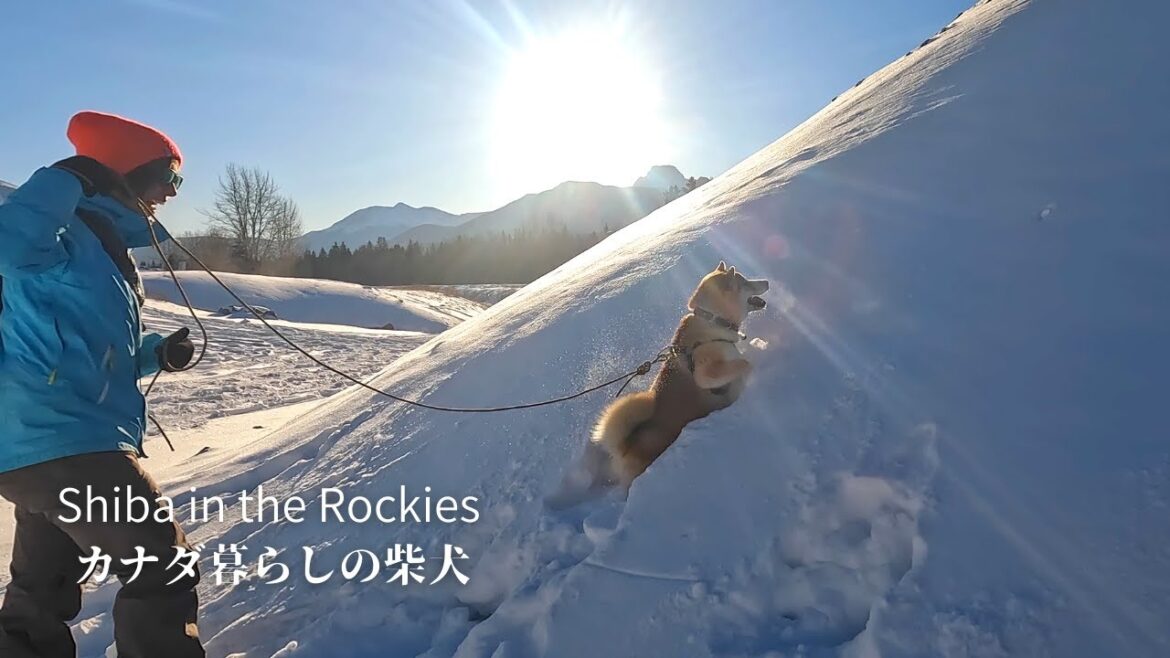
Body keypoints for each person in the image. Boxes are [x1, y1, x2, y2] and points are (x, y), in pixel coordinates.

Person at [0, 111, 203, 657]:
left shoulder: (98, 240)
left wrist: (154, 351)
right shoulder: (58, 227)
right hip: (64, 437)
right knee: (163, 562)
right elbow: (9, 246)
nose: (171, 191)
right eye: (168, 175)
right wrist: (69, 176)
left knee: (41, 588)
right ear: (123, 171)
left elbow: (88, 351)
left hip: (40, 441)